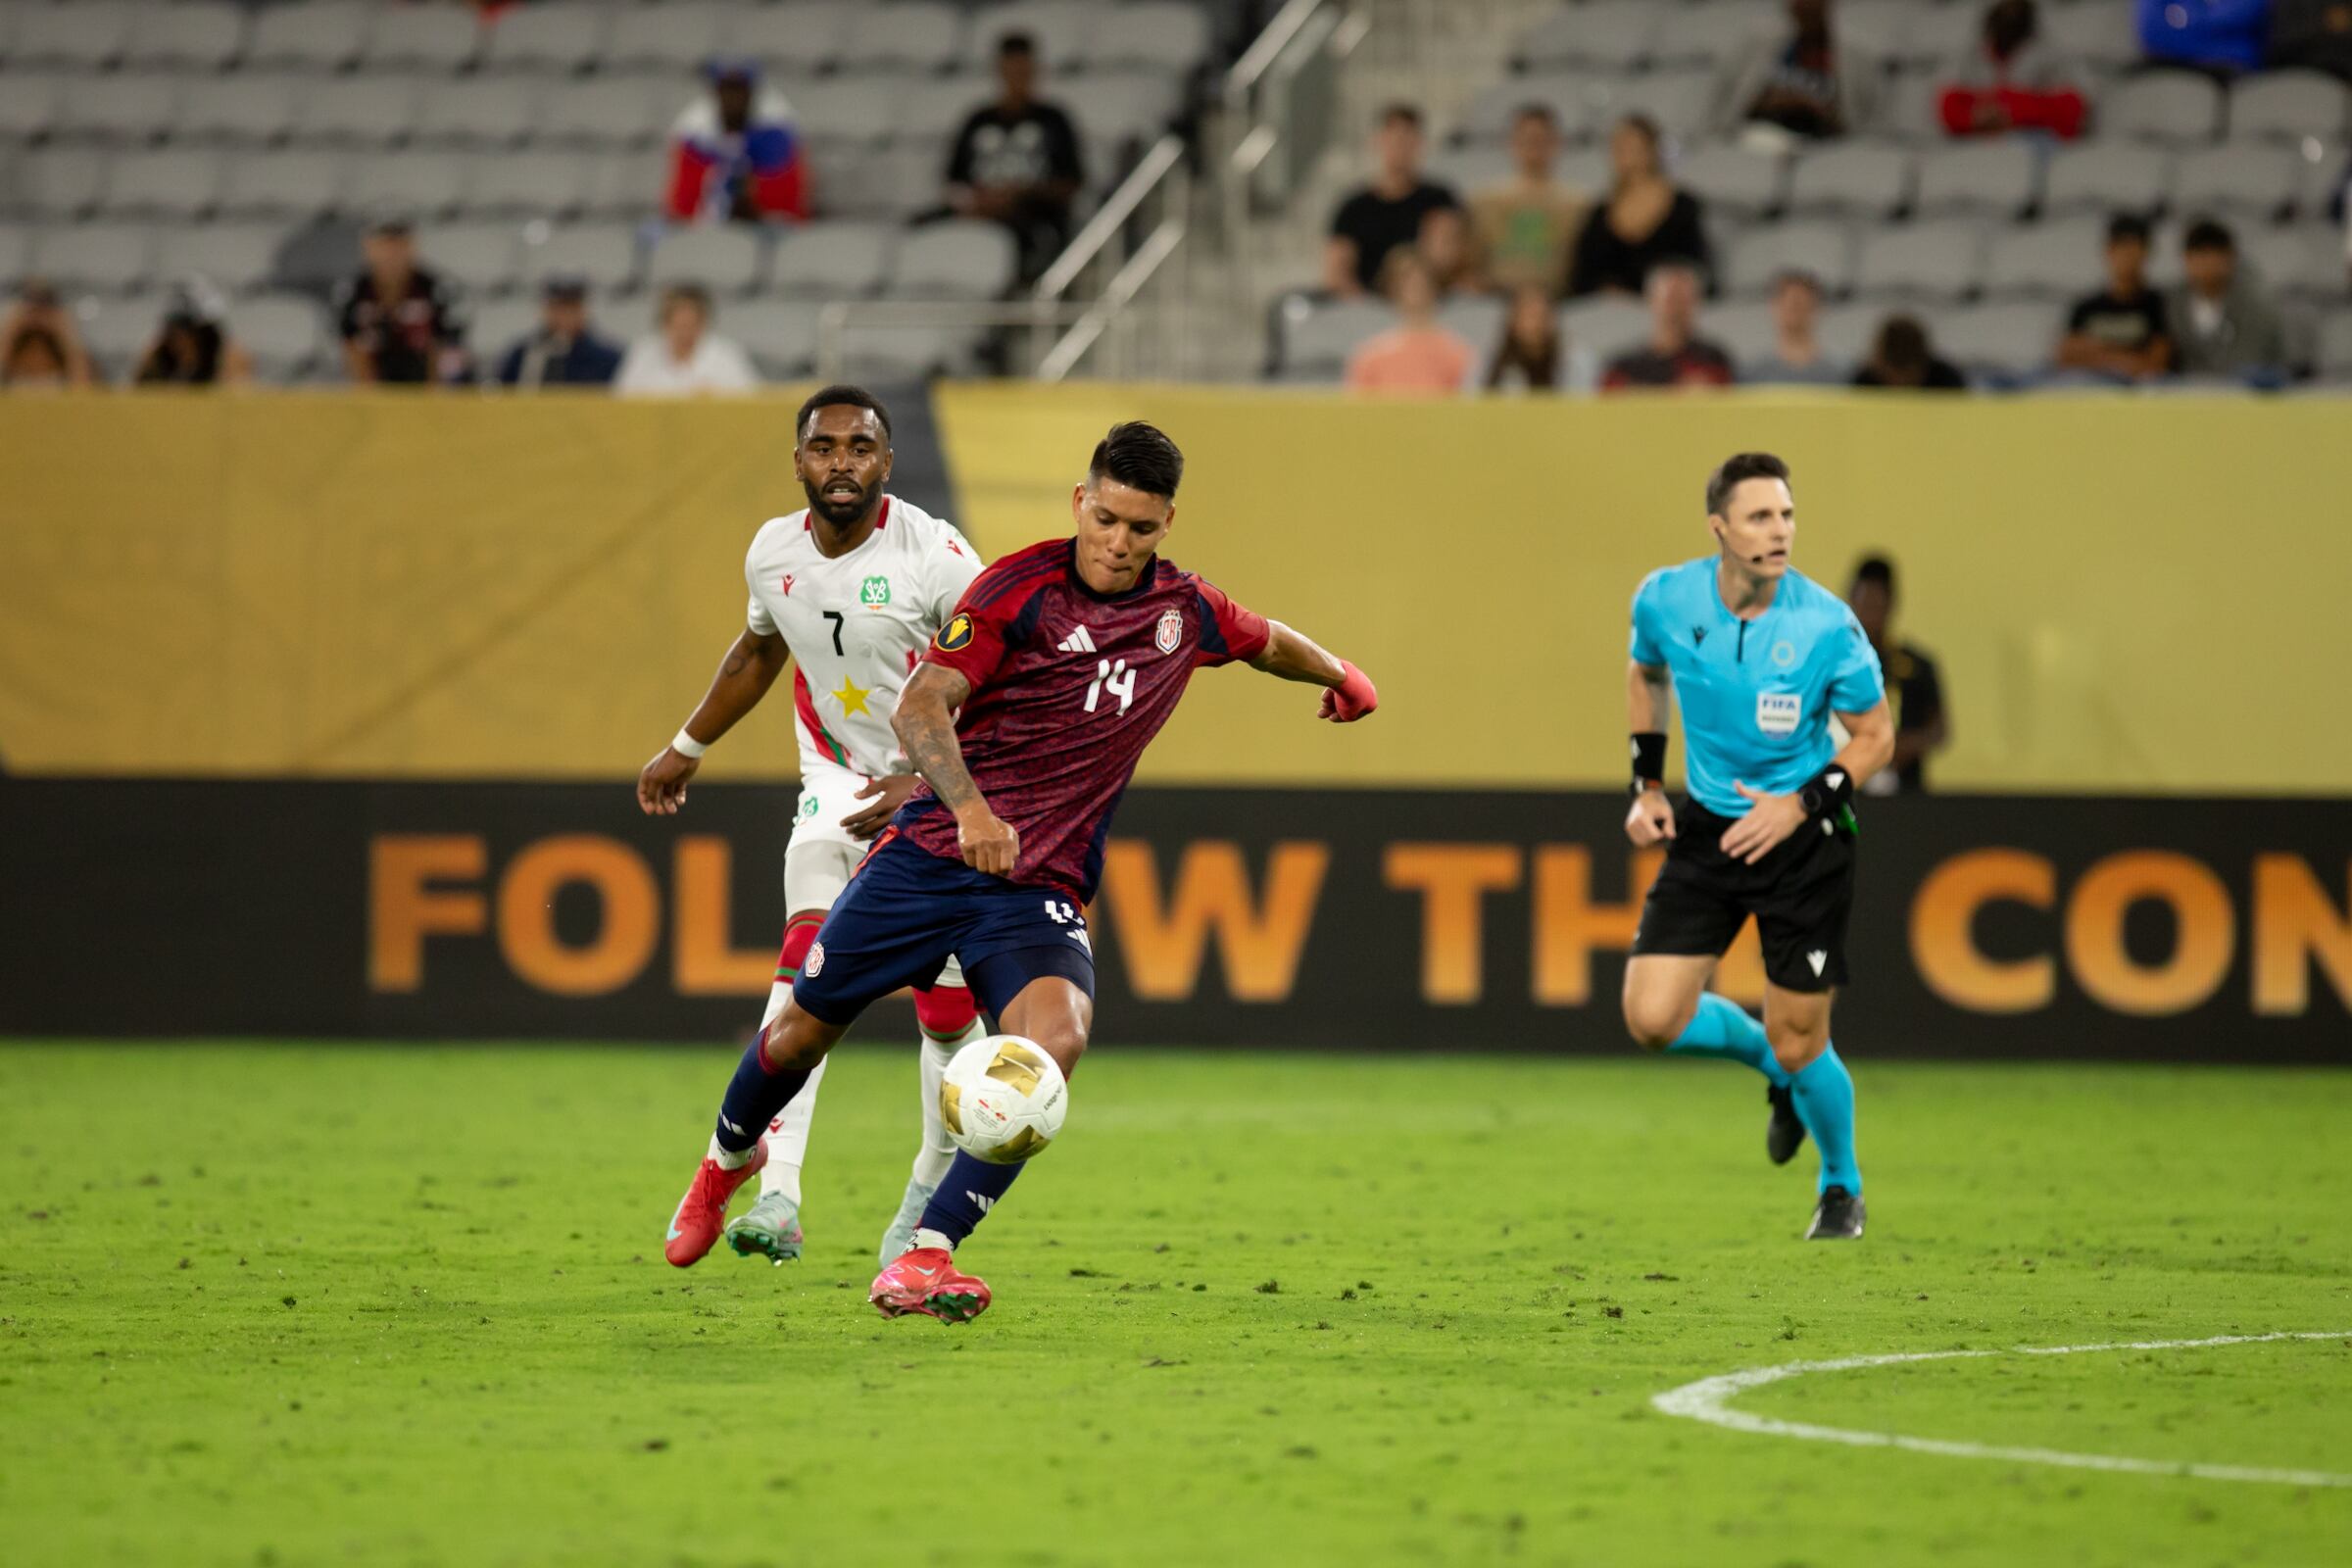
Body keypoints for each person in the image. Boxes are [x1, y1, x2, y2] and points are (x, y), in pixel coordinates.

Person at [653, 421, 1379, 1322]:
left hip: (1037, 891)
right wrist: (968, 811)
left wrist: (1343, 674)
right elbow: (922, 708)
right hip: (927, 860)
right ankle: (726, 1164)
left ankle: (925, 1254)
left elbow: (1264, 638)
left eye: (1141, 530)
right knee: (801, 1031)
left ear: (1167, 525)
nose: (1118, 544)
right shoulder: (1015, 592)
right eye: (1106, 519)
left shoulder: (1182, 612)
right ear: (1080, 501)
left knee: (1053, 1047)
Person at [637, 386, 991, 1269]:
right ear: (798, 461)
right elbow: (760, 647)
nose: (842, 462)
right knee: (808, 963)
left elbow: (1003, 675)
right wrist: (688, 743)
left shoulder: (938, 558)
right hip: (834, 776)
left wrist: (927, 780)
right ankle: (774, 1186)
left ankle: (921, 1197)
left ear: (886, 463)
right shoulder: (771, 551)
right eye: (824, 447)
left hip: (939, 788)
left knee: (948, 1022)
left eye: (860, 447)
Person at [1620, 452, 1894, 1242]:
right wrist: (1645, 784)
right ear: (1720, 529)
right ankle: (1776, 1072)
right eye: (1761, 518)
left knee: (1802, 1033)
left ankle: (1841, 1185)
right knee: (1649, 1018)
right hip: (1709, 828)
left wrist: (1801, 804)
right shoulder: (1665, 599)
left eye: (1787, 515)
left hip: (1806, 841)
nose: (1781, 532)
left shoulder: (1825, 625)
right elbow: (1645, 676)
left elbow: (1876, 737)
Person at [944, 31, 1085, 283]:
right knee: (926, 227)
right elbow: (954, 180)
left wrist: (1021, 194)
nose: (1017, 79)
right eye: (1011, 71)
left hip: (1032, 217)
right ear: (999, 70)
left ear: (1035, 71)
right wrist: (983, 201)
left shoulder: (1054, 120)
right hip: (982, 213)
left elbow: (1071, 182)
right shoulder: (978, 120)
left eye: (1023, 71)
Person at [1323, 104, 1461, 301]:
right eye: (1394, 139)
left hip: (1430, 306)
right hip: (1369, 310)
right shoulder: (1354, 208)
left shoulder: (1439, 200)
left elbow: (1454, 260)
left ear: (1419, 143)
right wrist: (1368, 309)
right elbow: (1337, 274)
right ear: (1378, 141)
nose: (1400, 147)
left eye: (1408, 139)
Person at [1567, 115, 1712, 298]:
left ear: (1652, 149)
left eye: (1634, 146)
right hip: (1609, 314)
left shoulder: (1682, 206)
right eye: (1619, 147)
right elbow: (1582, 276)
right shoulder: (1600, 214)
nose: (1626, 153)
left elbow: (1696, 267)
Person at [1846, 556, 1948, 795]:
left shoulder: (1917, 665)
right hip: (1849, 790)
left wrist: (1901, 746)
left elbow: (1940, 729)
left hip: (1907, 791)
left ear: (1891, 603)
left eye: (1877, 604)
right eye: (1865, 604)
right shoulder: (1835, 665)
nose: (1870, 614)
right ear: (1851, 601)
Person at [1466, 104, 1590, 300]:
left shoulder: (1579, 204)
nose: (1533, 147)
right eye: (1526, 139)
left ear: (1556, 143)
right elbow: (1470, 265)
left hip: (1560, 302)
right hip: (1497, 303)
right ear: (1512, 143)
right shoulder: (1484, 201)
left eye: (1541, 139)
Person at [665, 59, 809, 225]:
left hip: (767, 232)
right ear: (715, 92)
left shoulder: (777, 137)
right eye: (726, 89)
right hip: (705, 231)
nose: (732, 98)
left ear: (752, 92)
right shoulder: (695, 136)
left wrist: (752, 200)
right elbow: (681, 209)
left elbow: (790, 211)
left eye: (739, 89)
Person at [1719, 0, 1878, 142]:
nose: (1806, 11)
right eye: (1800, 6)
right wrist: (1779, 101)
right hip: (1762, 136)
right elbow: (1737, 106)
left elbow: (1857, 120)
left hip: (1825, 141)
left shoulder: (1852, 55)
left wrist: (1812, 106)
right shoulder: (1762, 44)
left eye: (1813, 7)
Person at [335, 218, 466, 386]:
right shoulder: (352, 292)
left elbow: (444, 347)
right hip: (372, 388)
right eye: (384, 246)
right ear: (369, 248)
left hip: (423, 387)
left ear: (412, 247)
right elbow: (350, 346)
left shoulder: (435, 290)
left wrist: (432, 400)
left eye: (398, 245)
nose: (391, 254)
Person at [1936, 0, 2088, 139]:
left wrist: (2015, 109)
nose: (2010, 10)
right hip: (1976, 153)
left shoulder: (2049, 54)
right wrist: (1975, 116)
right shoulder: (1972, 55)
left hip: (2035, 151)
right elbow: (1947, 105)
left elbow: (2073, 110)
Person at [2167, 218, 2289, 384]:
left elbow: (2255, 359)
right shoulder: (2172, 304)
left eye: (2215, 256)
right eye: (2201, 256)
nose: (2208, 265)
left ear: (2230, 258)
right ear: (2187, 259)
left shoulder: (2256, 308)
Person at [2054, 214, 2172, 382]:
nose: (2126, 258)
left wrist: (2095, 351)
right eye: (2121, 248)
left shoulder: (2158, 305)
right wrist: (2124, 359)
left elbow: (2155, 364)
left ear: (2146, 253)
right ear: (2108, 251)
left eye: (2133, 249)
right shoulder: (2086, 307)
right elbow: (2064, 357)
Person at [1345, 249, 1475, 394]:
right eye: (1407, 282)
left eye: (1421, 282)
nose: (1415, 288)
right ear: (1394, 290)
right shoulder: (1370, 357)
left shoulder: (1457, 354)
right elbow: (1358, 411)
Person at [1601, 262, 1735, 390]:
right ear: (1651, 300)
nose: (1677, 308)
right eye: (1670, 299)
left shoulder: (1712, 361)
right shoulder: (1622, 366)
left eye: (1684, 300)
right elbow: (1606, 405)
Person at [612, 283, 759, 396]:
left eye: (691, 326)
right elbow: (621, 401)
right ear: (664, 323)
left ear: (703, 323)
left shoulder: (727, 355)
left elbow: (752, 402)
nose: (685, 334)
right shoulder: (643, 353)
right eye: (679, 326)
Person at [493, 276, 623, 389]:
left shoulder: (607, 359)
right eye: (557, 308)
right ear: (546, 311)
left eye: (571, 308)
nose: (564, 316)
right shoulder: (523, 353)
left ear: (583, 311)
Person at [133, 279, 253, 386]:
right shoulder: (157, 355)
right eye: (174, 331)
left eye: (188, 330)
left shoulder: (228, 357)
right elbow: (137, 395)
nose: (179, 340)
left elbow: (236, 399)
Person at [1741, 270, 1849, 385]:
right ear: (1773, 307)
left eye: (1800, 305)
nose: (1794, 311)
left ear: (1817, 308)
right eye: (1788, 304)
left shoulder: (1841, 372)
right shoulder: (1751, 372)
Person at [1485, 283, 1597, 392]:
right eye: (1529, 315)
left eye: (1542, 315)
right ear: (1512, 321)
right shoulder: (1492, 359)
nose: (1537, 324)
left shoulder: (1574, 358)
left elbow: (1582, 400)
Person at [0, 278, 97, 389]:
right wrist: (10, 331)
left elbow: (84, 391)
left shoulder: (68, 360)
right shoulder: (9, 357)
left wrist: (65, 332)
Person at [2137, 0, 2272, 74]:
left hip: (2236, 75)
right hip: (2168, 69)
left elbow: (2251, 15)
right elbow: (2154, 32)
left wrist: (2187, 20)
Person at [1851, 314, 1968, 389]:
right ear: (1880, 364)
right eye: (1893, 375)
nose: (1900, 384)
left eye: (1906, 376)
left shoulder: (1946, 381)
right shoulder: (1865, 383)